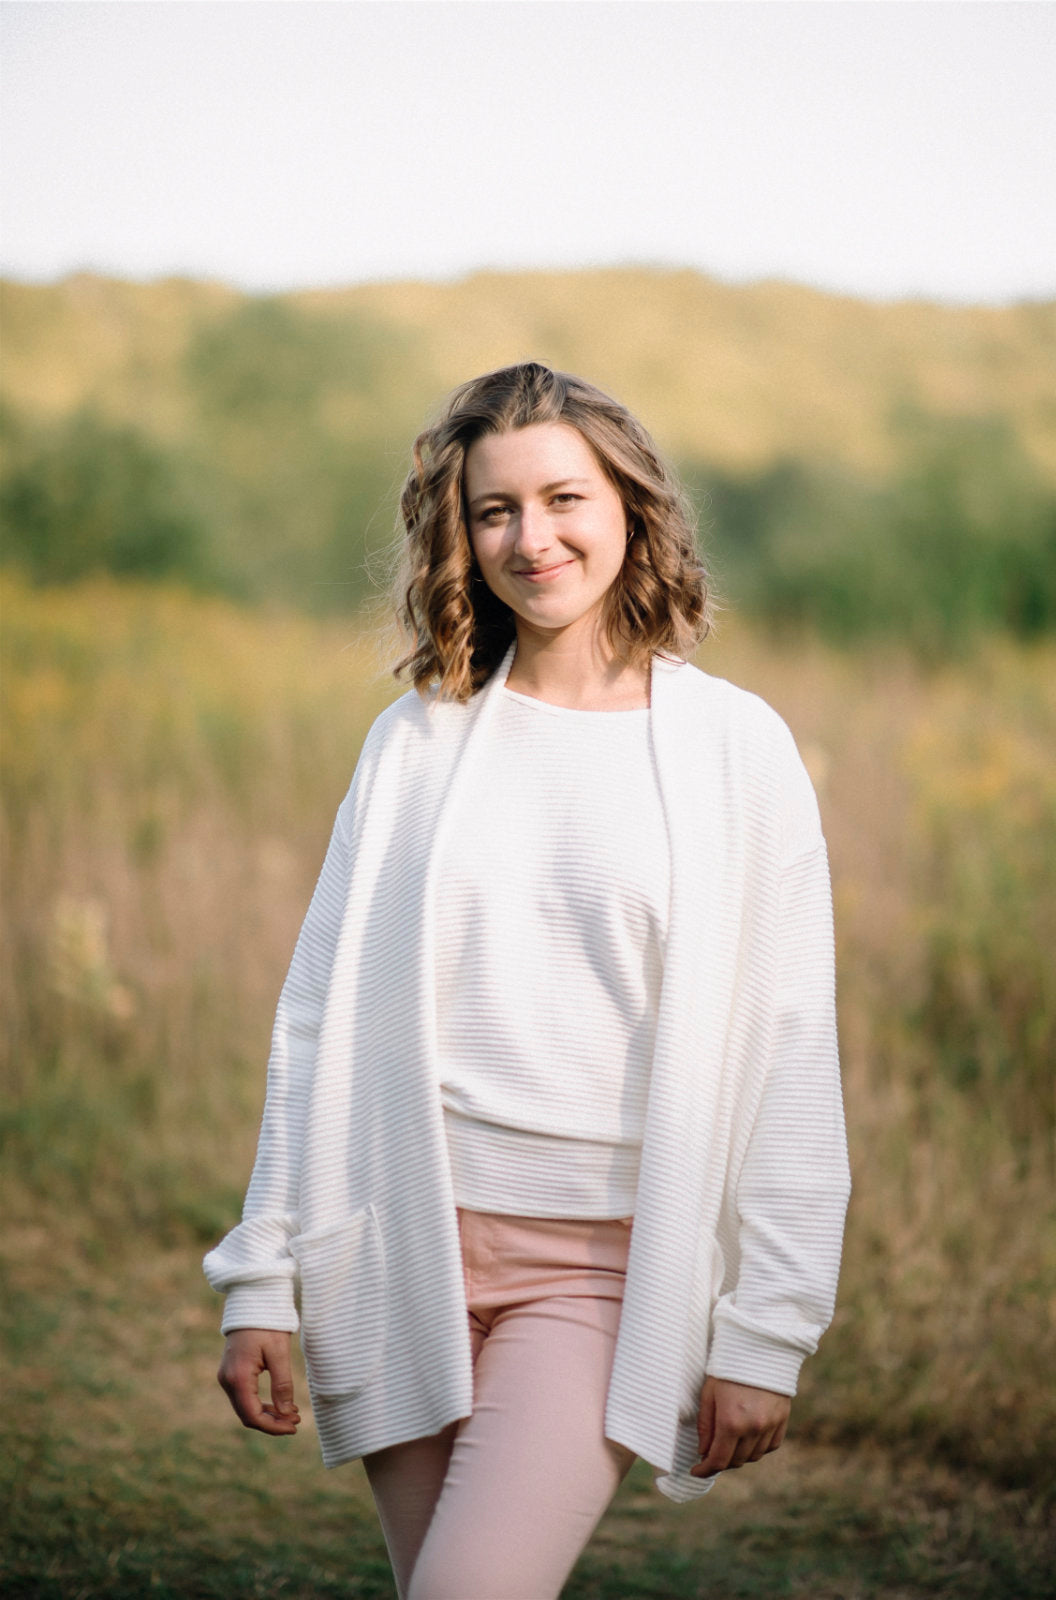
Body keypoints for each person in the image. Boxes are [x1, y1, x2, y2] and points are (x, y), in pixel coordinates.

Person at [205, 361, 850, 1600]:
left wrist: (767, 1328)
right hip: (394, 1243)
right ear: (461, 535)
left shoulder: (736, 750)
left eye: (563, 498)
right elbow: (316, 1021)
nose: (530, 538)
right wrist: (262, 1279)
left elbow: (787, 1043)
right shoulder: (418, 738)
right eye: (493, 510)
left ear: (630, 507)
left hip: (597, 1272)